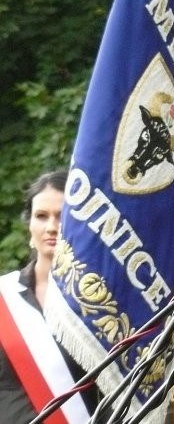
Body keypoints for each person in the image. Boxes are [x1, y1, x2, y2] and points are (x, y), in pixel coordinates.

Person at [0, 170, 99, 422]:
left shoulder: (103, 301)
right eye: (42, 216)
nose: (52, 227)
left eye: (62, 216)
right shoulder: (4, 297)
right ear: (29, 225)